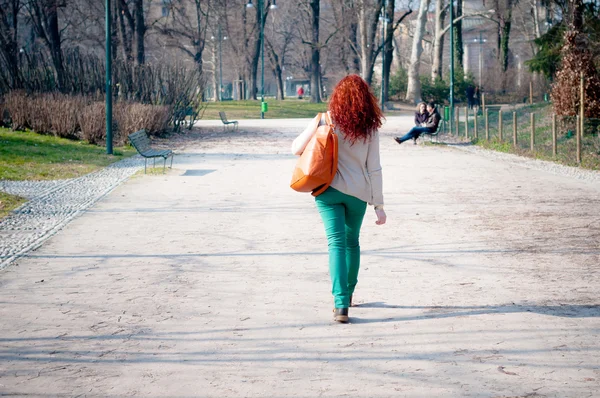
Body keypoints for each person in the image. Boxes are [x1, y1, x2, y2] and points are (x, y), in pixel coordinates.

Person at [291, 75, 387, 323]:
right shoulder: (370, 128)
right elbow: (374, 168)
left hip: (327, 190)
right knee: (352, 242)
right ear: (366, 99)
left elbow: (295, 148)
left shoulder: (324, 120)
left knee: (336, 244)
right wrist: (379, 205)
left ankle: (340, 304)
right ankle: (350, 293)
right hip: (358, 193)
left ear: (337, 97)